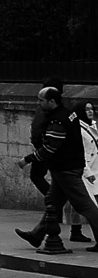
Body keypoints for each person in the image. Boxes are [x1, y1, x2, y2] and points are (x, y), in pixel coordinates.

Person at [20, 84, 98, 255]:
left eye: (41, 100)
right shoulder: (68, 114)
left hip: (66, 169)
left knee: (85, 205)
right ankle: (37, 235)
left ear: (51, 101)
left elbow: (50, 147)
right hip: (65, 167)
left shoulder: (58, 120)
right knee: (53, 204)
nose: (39, 103)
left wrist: (28, 159)